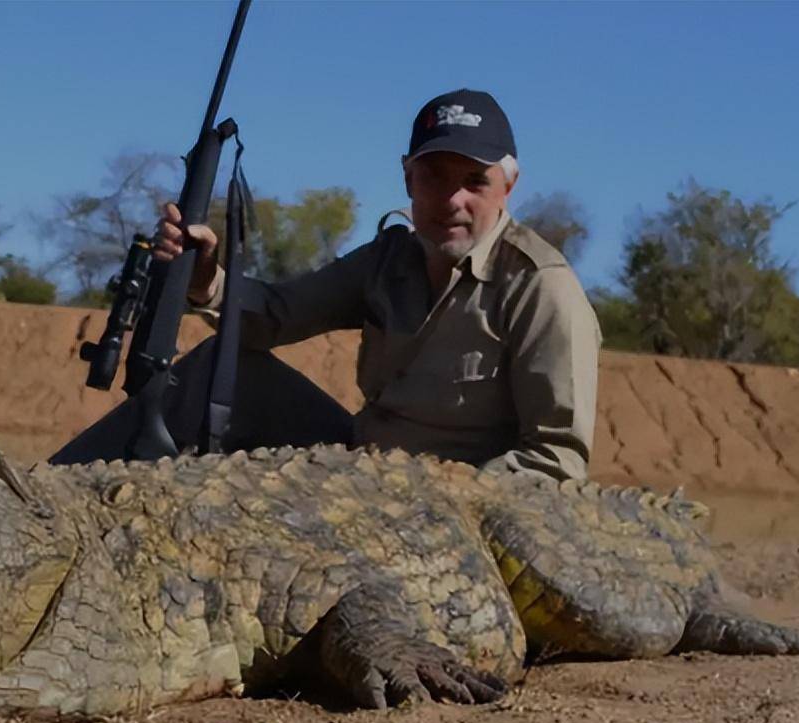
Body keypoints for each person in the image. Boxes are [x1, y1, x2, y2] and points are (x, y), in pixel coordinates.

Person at [51, 88, 601, 481]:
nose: (453, 199)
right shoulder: (390, 259)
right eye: (434, 176)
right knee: (226, 365)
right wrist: (205, 279)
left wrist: (446, 502)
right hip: (361, 466)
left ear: (509, 185)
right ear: (408, 177)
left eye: (475, 181)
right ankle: (48, 496)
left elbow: (555, 463)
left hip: (452, 507)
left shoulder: (541, 287)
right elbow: (275, 314)